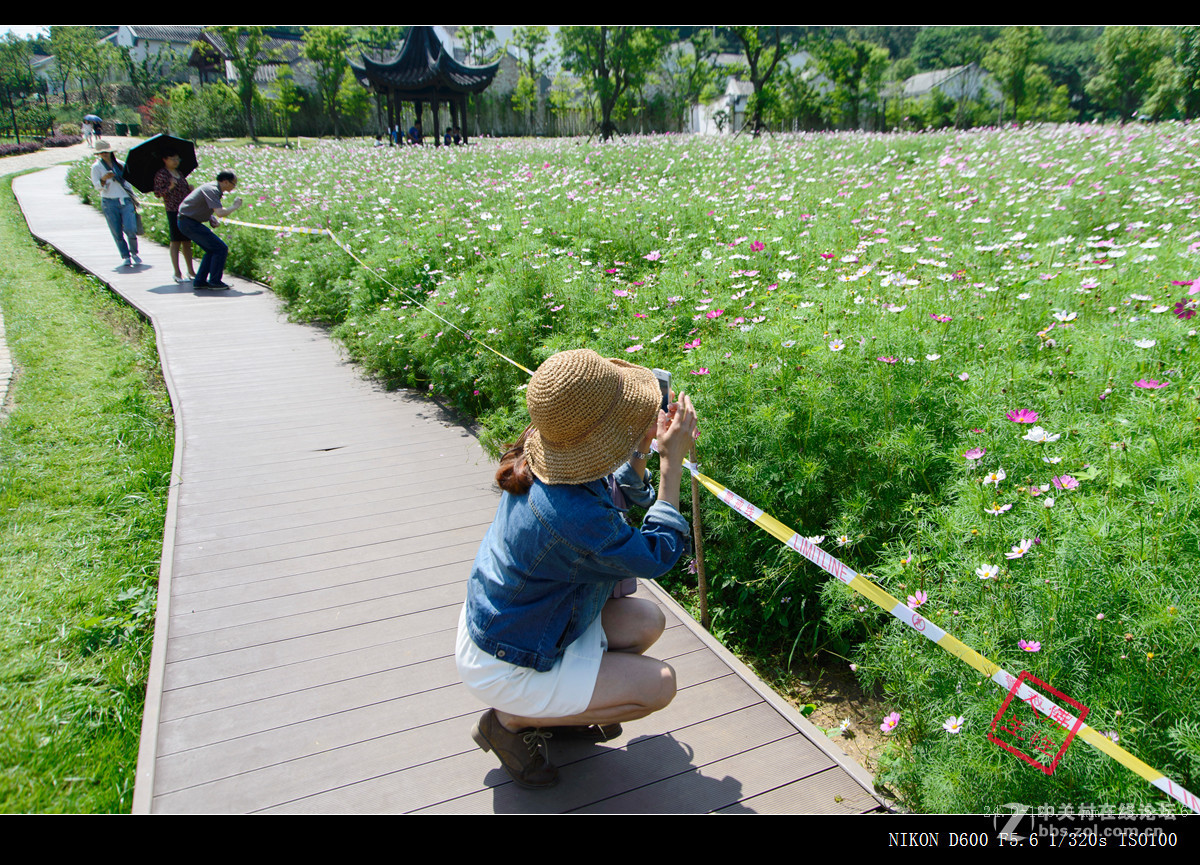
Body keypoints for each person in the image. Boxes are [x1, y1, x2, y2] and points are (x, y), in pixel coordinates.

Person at [457, 348, 698, 788]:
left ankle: (561, 706)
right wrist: (672, 464)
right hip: (507, 659)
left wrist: (640, 447)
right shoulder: (571, 517)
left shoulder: (553, 446)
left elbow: (613, 487)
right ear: (602, 435)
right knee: (659, 685)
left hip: (516, 623)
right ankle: (510, 720)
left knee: (647, 620)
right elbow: (659, 554)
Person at [176, 170, 243, 290]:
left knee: (212, 249)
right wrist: (235, 206)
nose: (234, 186)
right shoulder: (212, 190)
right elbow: (220, 213)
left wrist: (210, 218)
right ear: (226, 182)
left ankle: (200, 281)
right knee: (221, 248)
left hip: (188, 221)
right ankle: (215, 282)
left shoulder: (213, 188)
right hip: (189, 223)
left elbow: (201, 206)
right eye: (234, 183)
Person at [90, 140, 141, 268]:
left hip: (125, 199)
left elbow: (129, 182)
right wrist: (104, 179)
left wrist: (132, 196)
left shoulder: (120, 165)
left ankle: (134, 253)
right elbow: (97, 186)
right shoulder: (96, 167)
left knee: (130, 229)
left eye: (106, 151)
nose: (105, 154)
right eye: (102, 152)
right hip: (109, 201)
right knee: (117, 231)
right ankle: (125, 256)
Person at [152, 151, 196, 284]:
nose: (176, 162)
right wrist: (170, 187)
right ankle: (177, 272)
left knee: (187, 242)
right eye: (173, 159)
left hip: (185, 210)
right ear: (165, 159)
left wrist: (189, 189)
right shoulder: (162, 174)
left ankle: (191, 270)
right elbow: (157, 193)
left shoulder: (180, 173)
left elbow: (183, 189)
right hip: (172, 210)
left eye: (178, 159)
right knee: (176, 241)